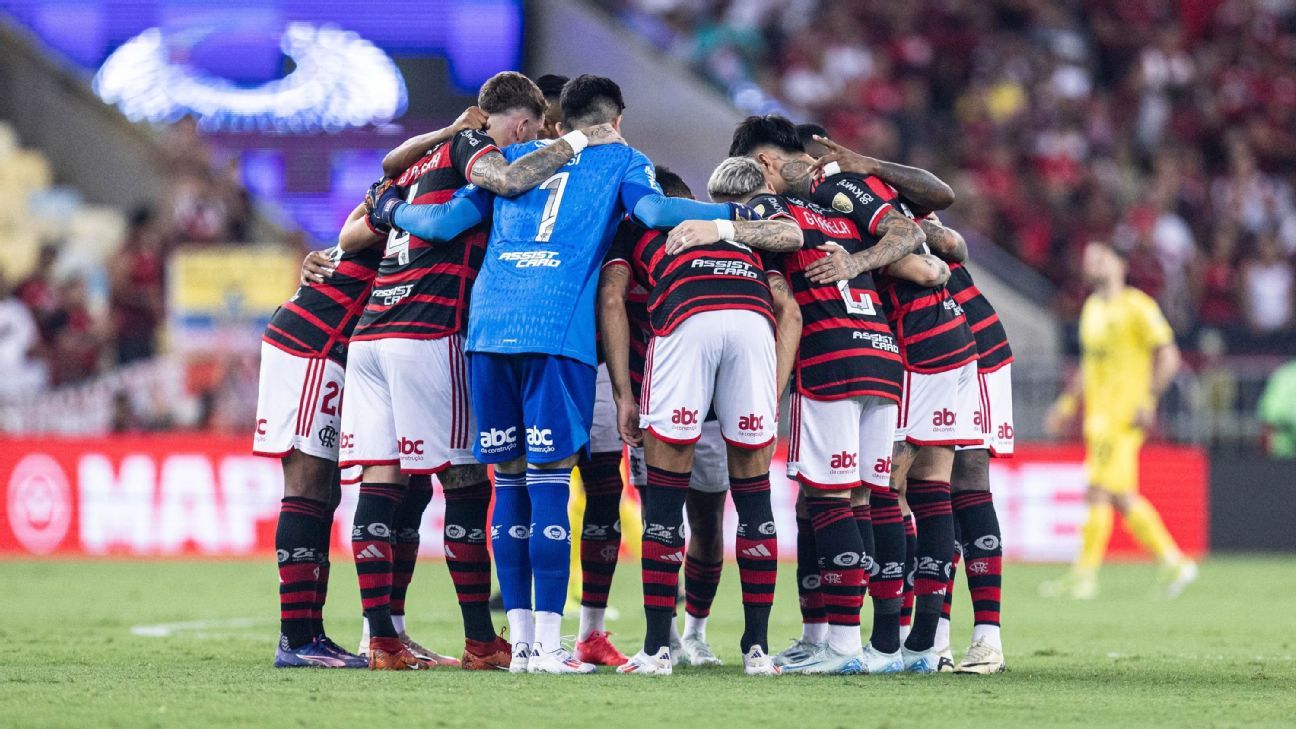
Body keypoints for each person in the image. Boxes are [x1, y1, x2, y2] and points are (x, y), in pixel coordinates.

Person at [373, 74, 762, 673]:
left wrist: (392, 207)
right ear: (617, 119)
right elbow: (655, 211)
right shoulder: (623, 159)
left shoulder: (513, 157)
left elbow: (445, 224)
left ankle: (523, 645)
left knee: (508, 483)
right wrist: (734, 215)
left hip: (489, 329)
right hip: (556, 334)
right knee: (552, 483)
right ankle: (551, 647)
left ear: (558, 119)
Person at [339, 71, 613, 671]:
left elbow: (352, 227)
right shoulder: (474, 150)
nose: (534, 142)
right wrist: (580, 142)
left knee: (386, 488)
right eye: (535, 132)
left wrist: (385, 209)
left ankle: (381, 635)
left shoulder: (419, 158)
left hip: (372, 334)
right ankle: (479, 639)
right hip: (429, 330)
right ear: (520, 125)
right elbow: (506, 183)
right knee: (468, 484)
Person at [727, 115, 930, 675]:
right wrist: (858, 261)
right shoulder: (841, 203)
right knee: (878, 496)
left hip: (828, 360)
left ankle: (840, 647)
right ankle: (885, 645)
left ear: (758, 165)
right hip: (881, 354)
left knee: (831, 499)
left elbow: (787, 308)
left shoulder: (772, 211)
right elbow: (911, 236)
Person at [812, 131, 1010, 673]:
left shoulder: (858, 190)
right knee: (923, 485)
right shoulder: (851, 202)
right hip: (935, 340)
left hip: (950, 339)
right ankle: (927, 642)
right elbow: (946, 246)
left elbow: (944, 247)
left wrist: (859, 255)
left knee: (941, 480)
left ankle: (944, 640)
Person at [600, 158, 802, 675]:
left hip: (686, 318)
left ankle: (655, 652)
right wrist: (769, 396)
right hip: (753, 322)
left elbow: (613, 297)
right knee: (755, 503)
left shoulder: (635, 223)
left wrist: (625, 392)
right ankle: (757, 652)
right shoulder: (738, 225)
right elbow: (787, 308)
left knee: (664, 505)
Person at [1043, 241, 1198, 599]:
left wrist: (1149, 399)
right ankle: (1173, 562)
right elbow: (1088, 365)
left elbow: (1170, 356)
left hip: (1125, 414)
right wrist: (1066, 405)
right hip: (1097, 416)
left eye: (1099, 258)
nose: (1091, 265)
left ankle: (1084, 576)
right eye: (1087, 259)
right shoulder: (1092, 308)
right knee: (1119, 494)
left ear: (1120, 263)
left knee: (1099, 490)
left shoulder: (1138, 306)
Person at [255, 237, 380, 670]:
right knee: (306, 486)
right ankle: (295, 638)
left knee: (326, 494)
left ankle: (311, 634)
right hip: (310, 343)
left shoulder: (395, 204)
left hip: (325, 345)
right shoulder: (403, 204)